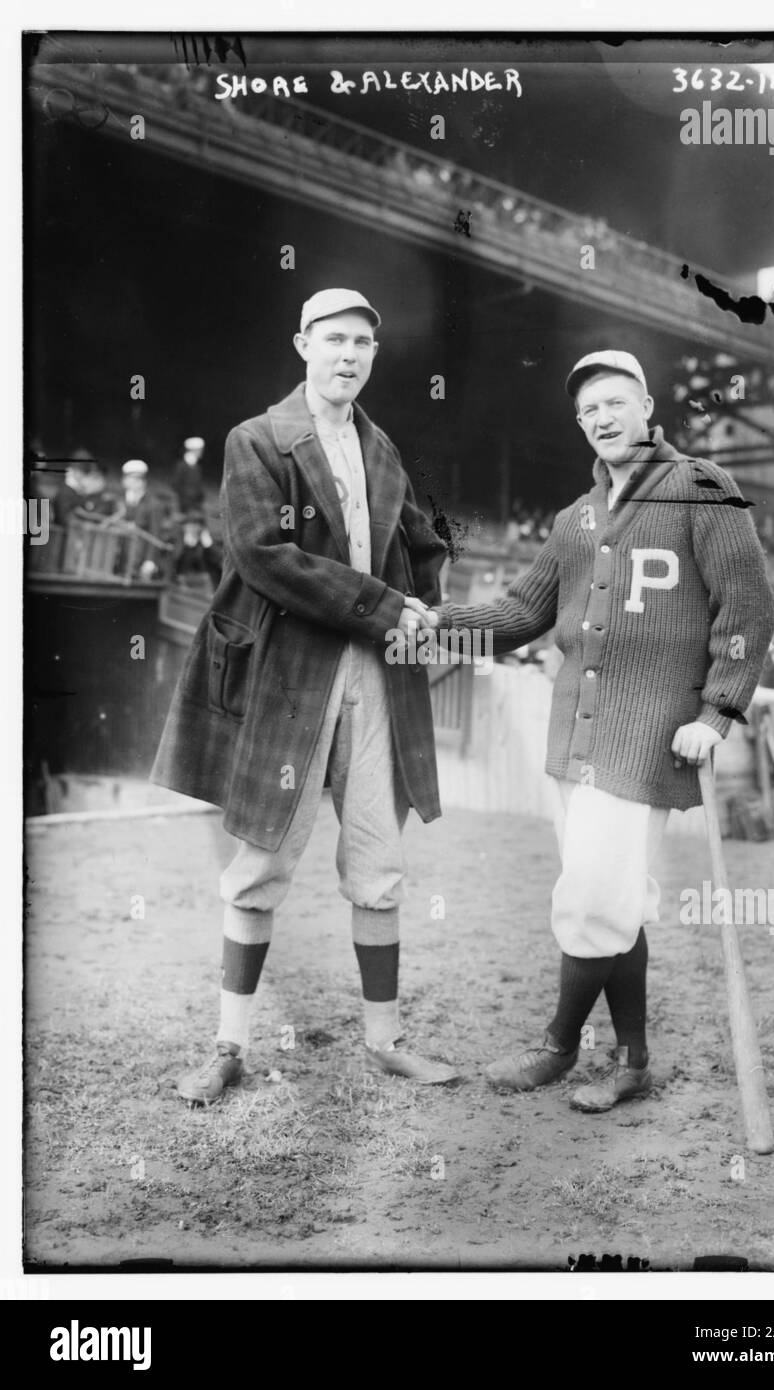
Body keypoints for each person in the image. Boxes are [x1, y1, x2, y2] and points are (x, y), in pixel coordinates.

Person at [421, 349, 774, 1111]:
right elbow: (520, 614)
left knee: (590, 900)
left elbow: (746, 609)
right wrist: (436, 622)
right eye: (588, 411)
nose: (602, 418)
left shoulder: (702, 489)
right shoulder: (573, 520)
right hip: (572, 735)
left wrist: (716, 713)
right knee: (612, 898)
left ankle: (555, 1047)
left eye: (616, 402)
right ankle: (631, 1061)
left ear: (647, 405)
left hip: (648, 735)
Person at [152, 287, 459, 1104]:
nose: (349, 355)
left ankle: (386, 1038)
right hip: (290, 672)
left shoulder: (382, 448)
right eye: (334, 340)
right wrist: (389, 605)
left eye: (362, 342)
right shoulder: (258, 439)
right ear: (302, 345)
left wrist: (425, 604)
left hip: (373, 676)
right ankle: (228, 1046)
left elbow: (425, 545)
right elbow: (263, 555)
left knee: (378, 862)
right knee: (258, 862)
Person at [172, 508, 222, 592]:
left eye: (195, 525)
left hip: (204, 575)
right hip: (183, 576)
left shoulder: (204, 537)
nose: (193, 528)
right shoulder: (180, 538)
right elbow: (176, 556)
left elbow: (213, 553)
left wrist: (207, 544)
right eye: (190, 525)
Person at [172, 436, 207, 514]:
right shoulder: (181, 466)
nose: (201, 452)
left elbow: (198, 487)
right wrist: (185, 500)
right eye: (200, 450)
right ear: (193, 450)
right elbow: (176, 485)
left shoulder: (197, 467)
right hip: (184, 506)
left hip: (195, 506)